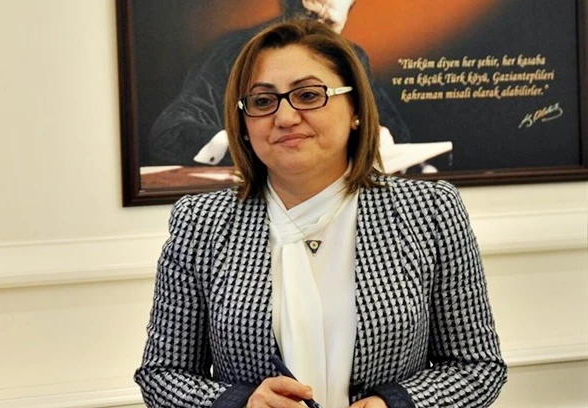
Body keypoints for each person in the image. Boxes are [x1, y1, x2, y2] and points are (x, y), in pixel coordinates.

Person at [135, 18, 506, 408]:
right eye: (262, 101)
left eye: (309, 95)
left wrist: (394, 404)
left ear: (356, 109)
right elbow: (163, 375)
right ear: (243, 124)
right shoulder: (201, 223)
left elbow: (476, 367)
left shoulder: (430, 212)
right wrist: (242, 403)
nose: (285, 117)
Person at [144, 0, 410, 167]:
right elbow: (170, 131)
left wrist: (373, 135)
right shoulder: (237, 53)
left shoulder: (351, 56)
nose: (312, 36)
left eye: (328, 25)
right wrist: (251, 150)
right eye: (307, 15)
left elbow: (394, 133)